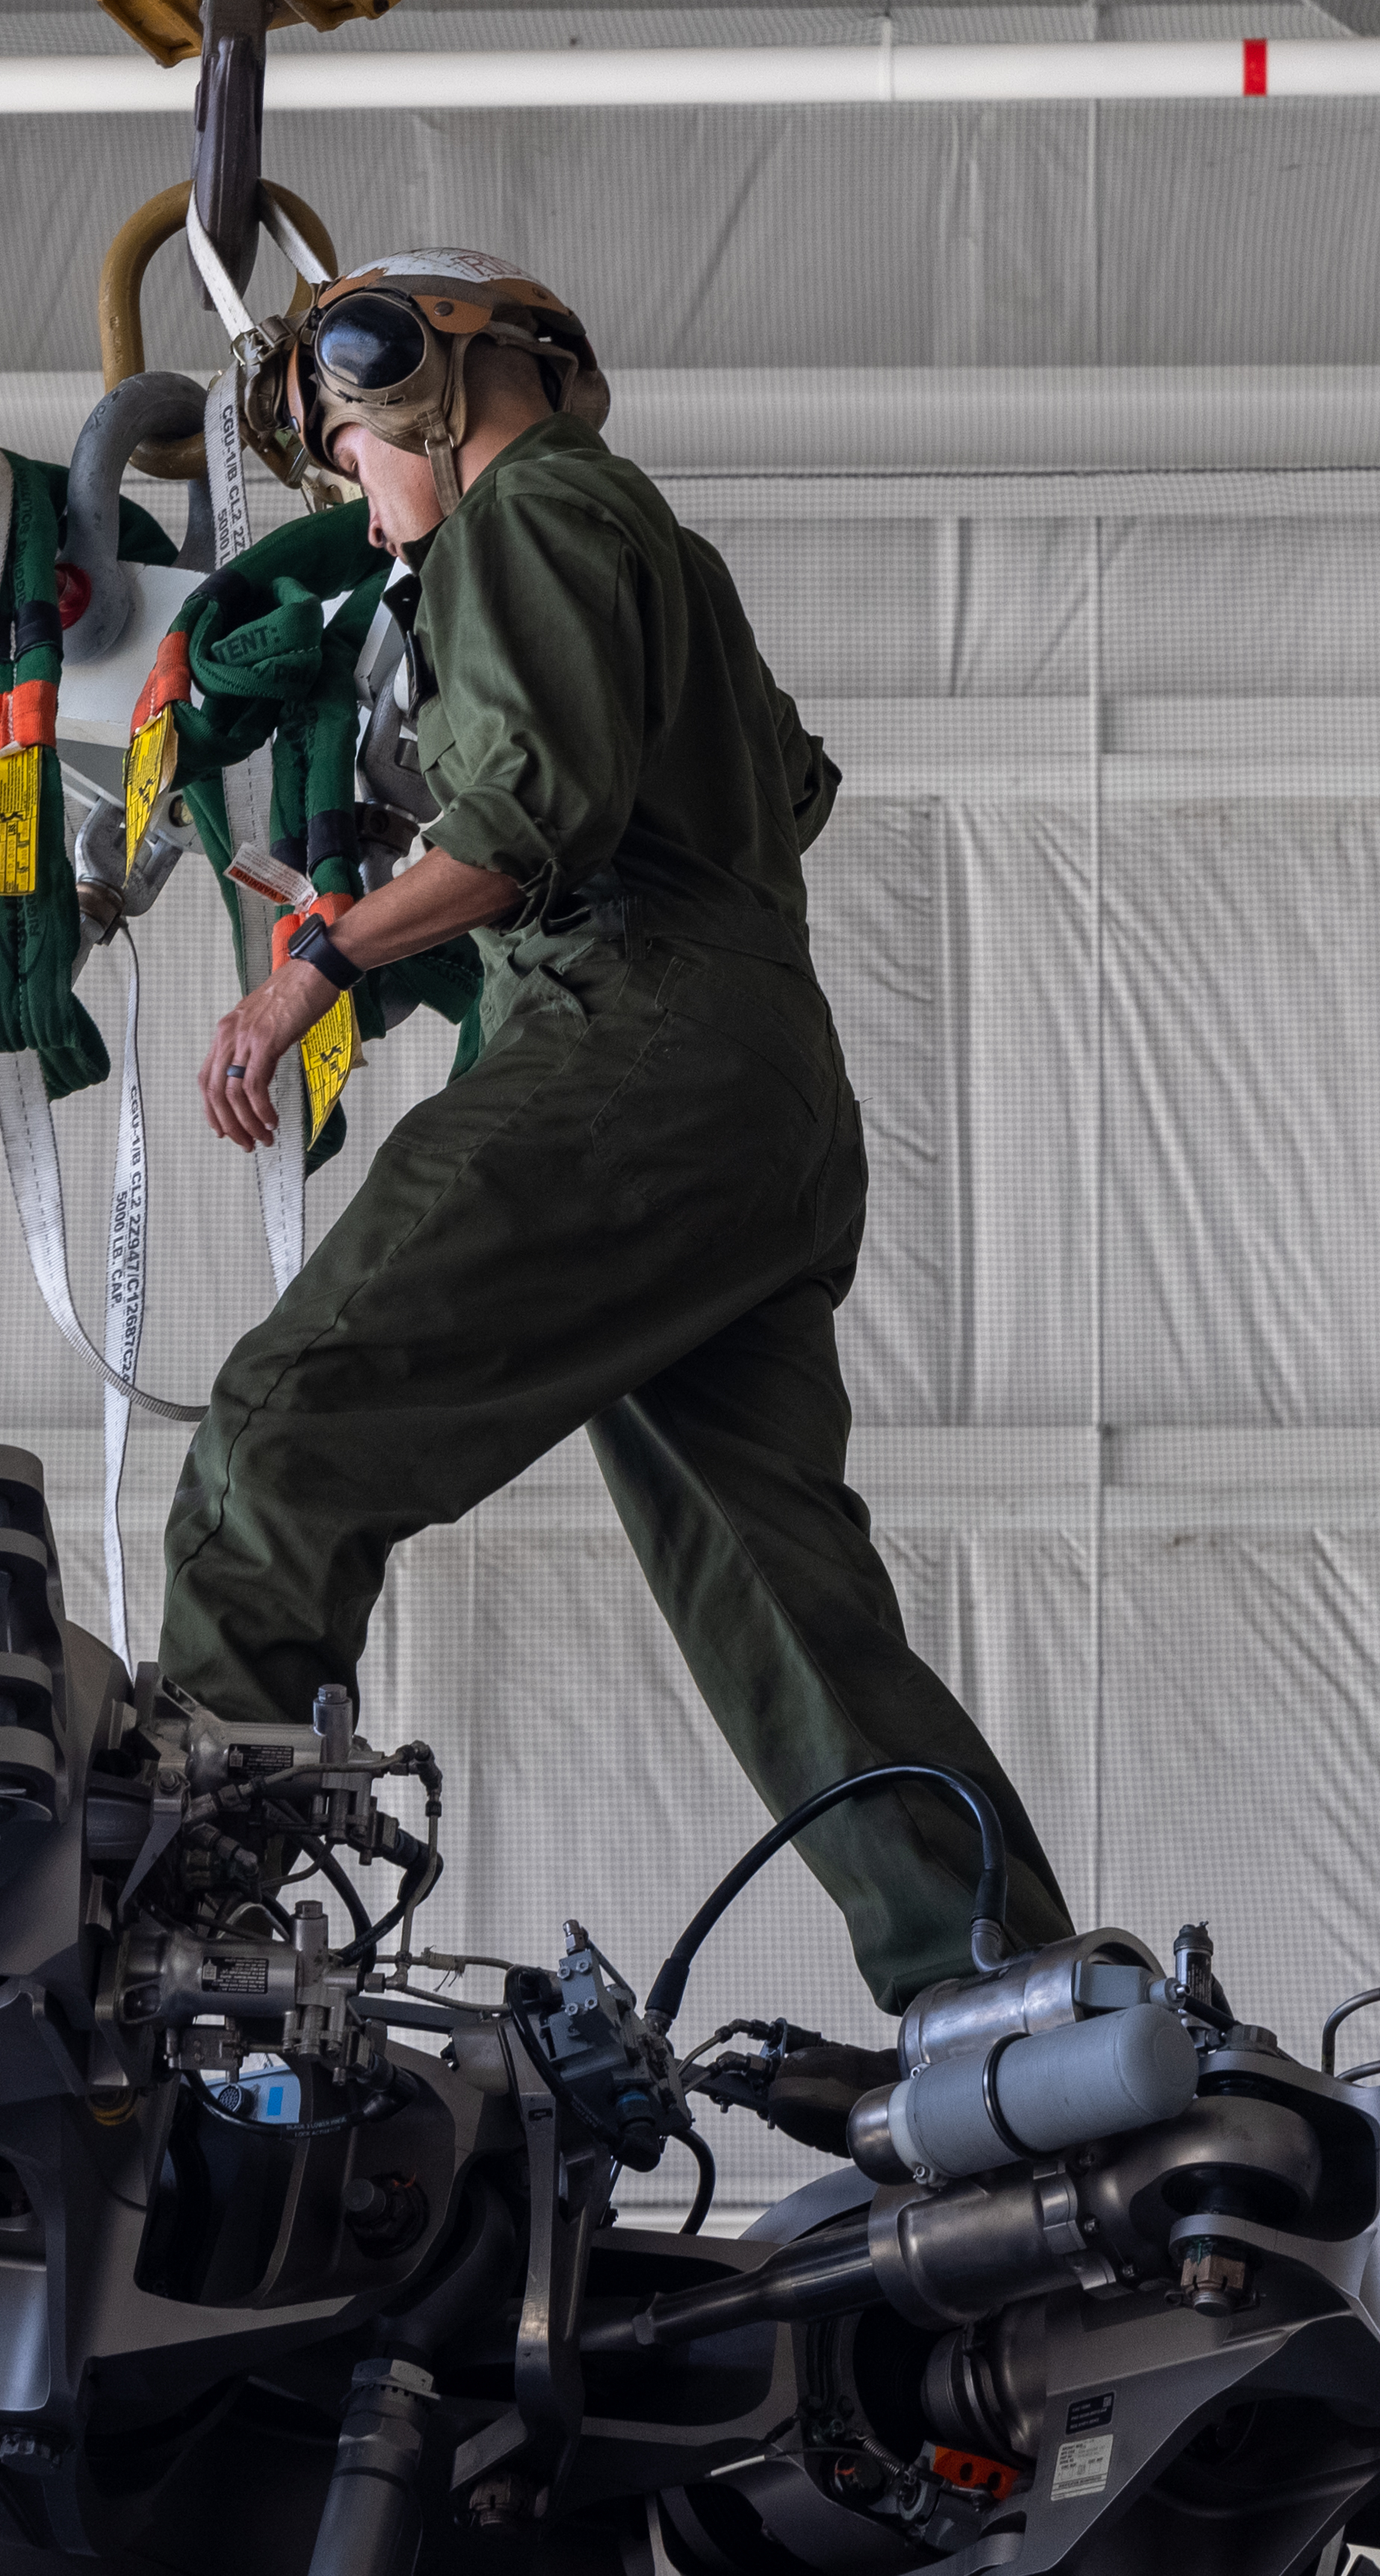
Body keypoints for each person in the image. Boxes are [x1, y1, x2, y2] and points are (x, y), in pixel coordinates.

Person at [165, 253, 1073, 2013]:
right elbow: (748, 789)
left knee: (287, 1428)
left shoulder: (531, 518)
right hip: (760, 1095)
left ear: (409, 378)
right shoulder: (653, 551)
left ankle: (167, 1924)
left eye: (349, 461)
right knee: (783, 1604)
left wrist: (317, 960)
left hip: (633, 1047)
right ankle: (1003, 1988)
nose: (360, 521)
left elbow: (522, 825)